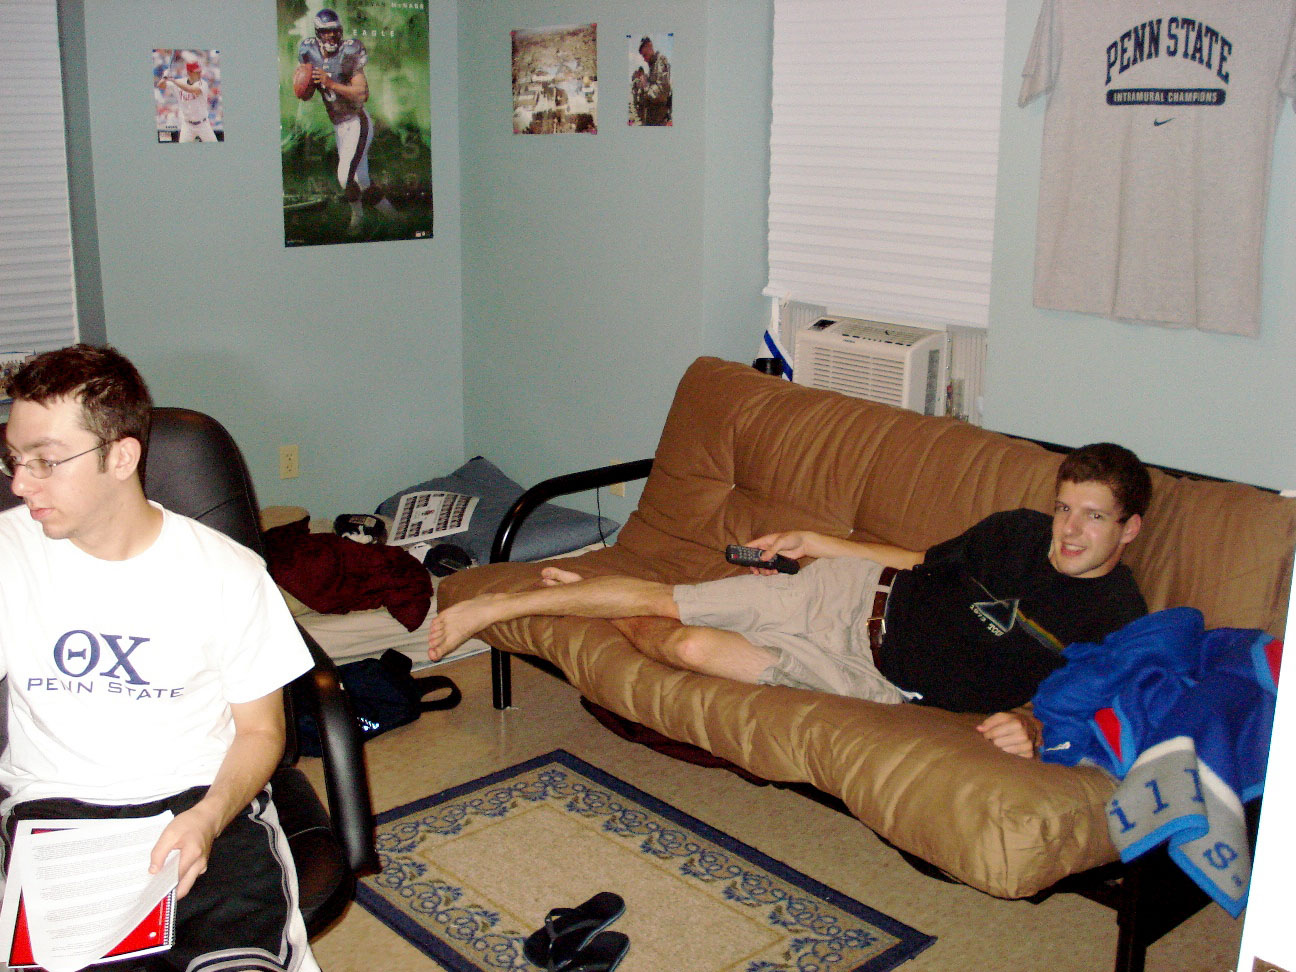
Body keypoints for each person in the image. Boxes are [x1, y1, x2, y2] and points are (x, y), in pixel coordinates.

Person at [429, 443, 1151, 759]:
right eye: (1065, 509)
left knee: (685, 647)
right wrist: (820, 542)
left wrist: (1026, 725)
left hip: (873, 681)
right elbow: (917, 562)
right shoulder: (1017, 533)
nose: (1071, 530)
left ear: (1129, 529)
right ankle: (502, 607)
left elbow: (1093, 695)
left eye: (1092, 517)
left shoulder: (1118, 616)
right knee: (674, 605)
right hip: (846, 601)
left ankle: (583, 594)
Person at [0, 345, 320, 971]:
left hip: (203, 805)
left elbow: (261, 733)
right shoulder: (8, 556)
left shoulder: (225, 573)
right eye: (13, 460)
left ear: (121, 455)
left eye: (45, 462)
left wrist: (207, 818)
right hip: (57, 818)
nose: (18, 484)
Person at [297, 7, 395, 232]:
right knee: (363, 182)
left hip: (357, 121)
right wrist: (305, 88)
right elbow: (307, 90)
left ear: (340, 31)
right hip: (339, 125)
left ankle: (358, 219)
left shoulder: (349, 52)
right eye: (325, 32)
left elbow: (362, 94)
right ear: (317, 33)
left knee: (344, 177)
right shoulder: (308, 51)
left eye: (334, 31)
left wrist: (330, 83)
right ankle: (394, 217)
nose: (331, 36)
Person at [157, 59, 217, 143]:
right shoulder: (180, 82)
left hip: (203, 124)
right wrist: (164, 77)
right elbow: (160, 85)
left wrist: (173, 80)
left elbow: (191, 89)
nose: (200, 73)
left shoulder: (203, 84)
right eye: (196, 72)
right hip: (187, 125)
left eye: (199, 71)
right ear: (189, 72)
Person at [632, 37, 672, 126]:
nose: (644, 59)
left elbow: (661, 94)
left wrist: (645, 85)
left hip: (658, 122)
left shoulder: (661, 62)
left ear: (650, 47)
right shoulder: (653, 66)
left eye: (645, 55)